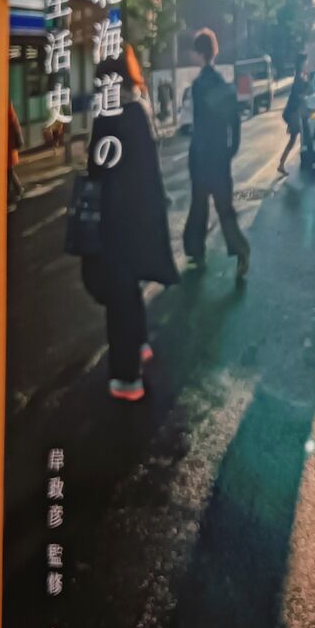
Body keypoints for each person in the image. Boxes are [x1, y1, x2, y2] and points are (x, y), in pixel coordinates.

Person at [83, 46, 179, 402]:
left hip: (115, 219)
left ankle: (127, 379)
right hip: (140, 215)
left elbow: (97, 169)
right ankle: (140, 345)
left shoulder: (110, 115)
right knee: (129, 287)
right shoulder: (139, 108)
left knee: (117, 296)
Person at [183, 28, 250, 280]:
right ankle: (241, 249)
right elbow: (234, 120)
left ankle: (195, 253)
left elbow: (199, 125)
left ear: (199, 54)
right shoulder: (224, 85)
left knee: (198, 205)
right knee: (224, 207)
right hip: (220, 155)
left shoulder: (198, 86)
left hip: (201, 156)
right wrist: (231, 148)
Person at [278, 52, 312, 175]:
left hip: (296, 112)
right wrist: (306, 88)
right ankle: (282, 164)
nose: (306, 64)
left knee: (298, 137)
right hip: (294, 113)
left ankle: (282, 163)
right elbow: (298, 95)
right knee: (297, 138)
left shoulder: (300, 75)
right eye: (305, 62)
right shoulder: (299, 77)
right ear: (301, 63)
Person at [7, 101, 23, 206]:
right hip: (8, 146)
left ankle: (12, 194)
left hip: (8, 145)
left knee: (8, 171)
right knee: (9, 170)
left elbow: (13, 122)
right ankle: (18, 189)